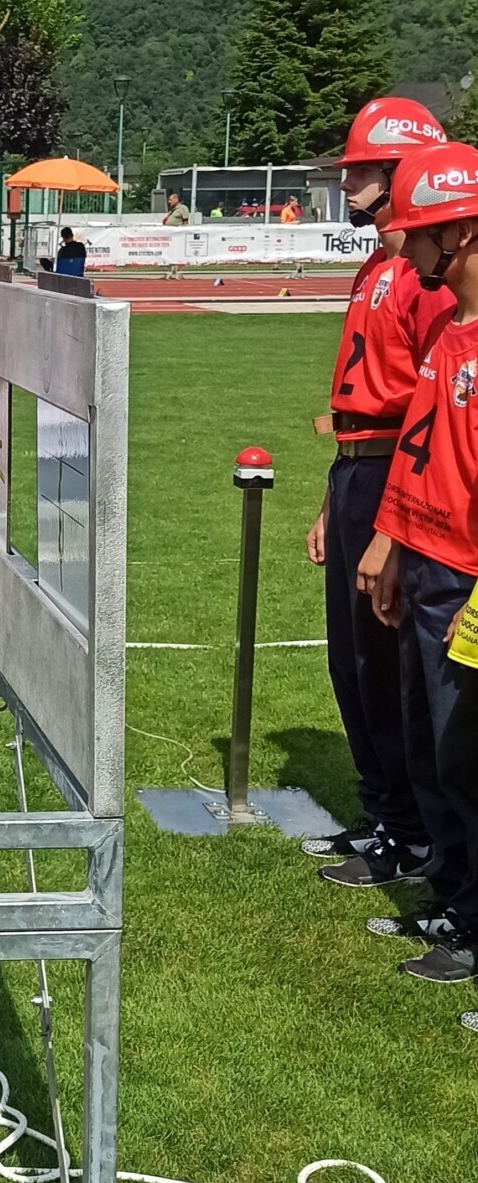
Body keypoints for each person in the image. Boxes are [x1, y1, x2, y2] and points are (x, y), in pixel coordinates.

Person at [304, 98, 449, 891]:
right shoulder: (376, 267)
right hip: (357, 466)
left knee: (387, 662)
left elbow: (429, 409)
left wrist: (392, 517)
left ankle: (411, 829)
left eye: (361, 168)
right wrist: (334, 500)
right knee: (352, 661)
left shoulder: (427, 282)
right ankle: (384, 812)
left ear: (404, 173)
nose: (347, 181)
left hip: (395, 467)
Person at [359, 142, 478, 1016]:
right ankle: (455, 900)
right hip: (430, 568)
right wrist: (394, 545)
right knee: (436, 748)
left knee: (467, 756)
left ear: (460, 234)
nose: (410, 249)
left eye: (423, 234)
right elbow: (419, 450)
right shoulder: (451, 336)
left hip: (469, 580)